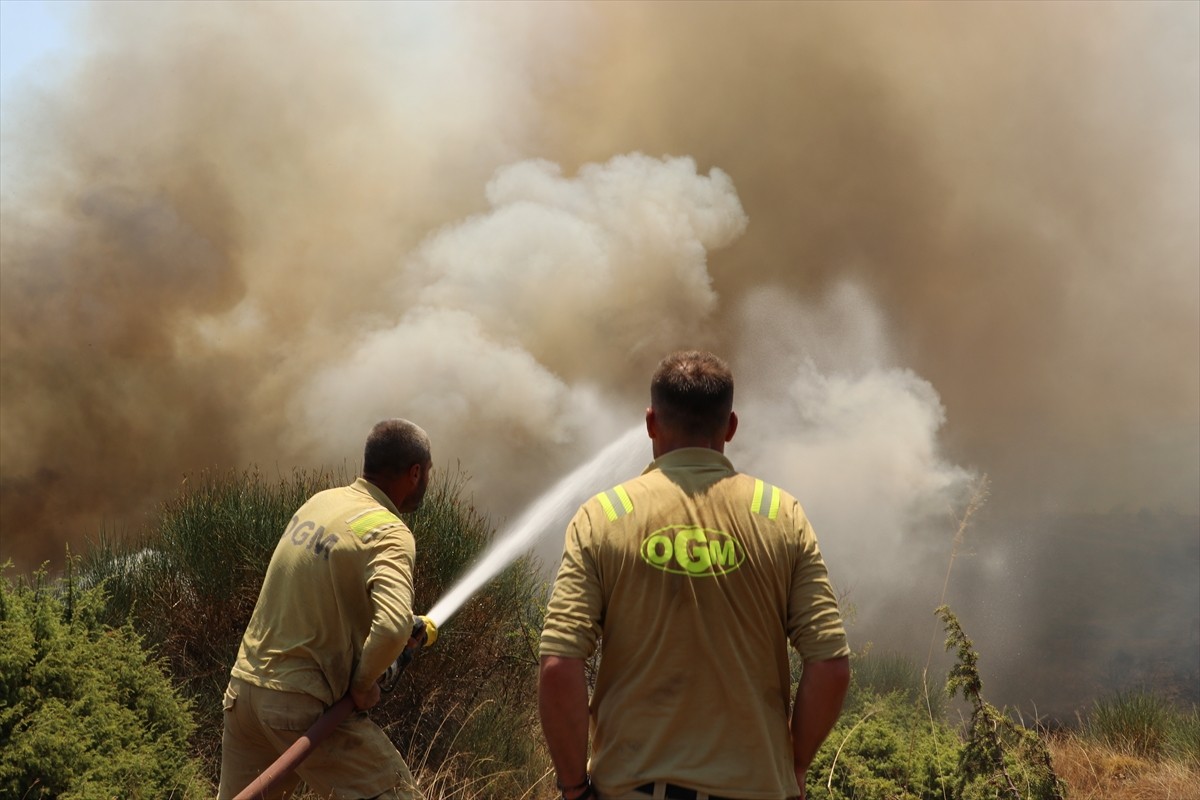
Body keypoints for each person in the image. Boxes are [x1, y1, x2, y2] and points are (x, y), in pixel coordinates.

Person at [539, 351, 851, 800]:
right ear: (730, 426)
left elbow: (558, 666)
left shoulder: (605, 515)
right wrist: (794, 764)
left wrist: (573, 788)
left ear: (650, 422)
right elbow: (831, 666)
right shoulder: (780, 514)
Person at [218, 418, 434, 800]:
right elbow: (392, 627)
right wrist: (364, 684)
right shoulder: (390, 531)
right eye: (428, 473)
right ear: (415, 473)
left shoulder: (322, 502)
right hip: (298, 706)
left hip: (245, 696)